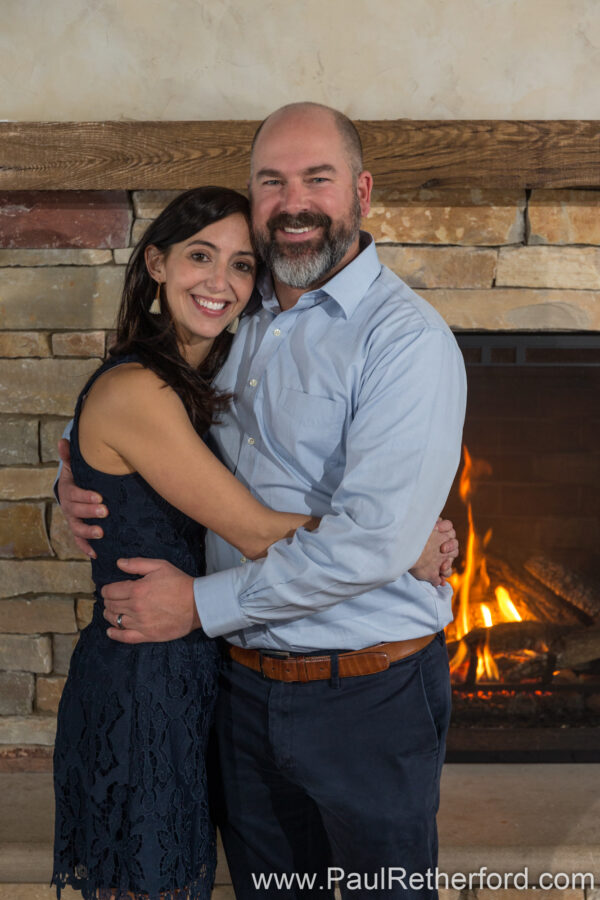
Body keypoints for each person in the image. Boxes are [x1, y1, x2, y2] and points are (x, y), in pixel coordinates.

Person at [57, 103, 466, 898]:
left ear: (362, 192)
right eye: (272, 182)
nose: (295, 200)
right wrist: (76, 480)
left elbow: (367, 541)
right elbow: (139, 414)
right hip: (239, 691)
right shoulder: (237, 320)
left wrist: (201, 604)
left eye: (318, 177)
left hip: (367, 696)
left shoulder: (404, 341)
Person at [52, 186, 337, 900]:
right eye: (199, 257)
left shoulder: (199, 374)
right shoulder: (138, 389)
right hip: (143, 682)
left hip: (200, 672)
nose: (220, 282)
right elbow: (248, 529)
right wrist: (395, 542)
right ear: (155, 262)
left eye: (242, 266)